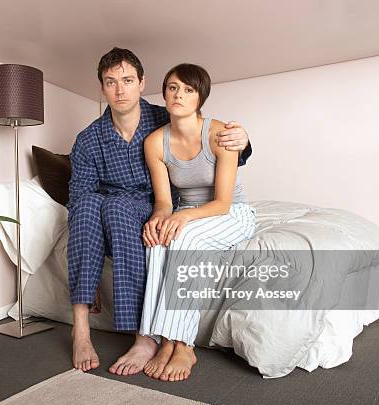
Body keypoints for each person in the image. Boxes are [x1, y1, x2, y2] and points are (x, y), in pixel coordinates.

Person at [67, 48, 251, 375]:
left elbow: (205, 138)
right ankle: (80, 328)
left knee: (119, 208)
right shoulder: (89, 139)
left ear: (142, 83)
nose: (120, 89)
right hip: (126, 209)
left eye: (127, 80)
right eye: (111, 82)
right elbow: (80, 194)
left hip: (150, 205)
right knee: (85, 207)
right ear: (102, 88)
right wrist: (91, 271)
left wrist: (244, 139)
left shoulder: (163, 117)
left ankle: (158, 339)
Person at [139, 63, 257, 382]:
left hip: (230, 213)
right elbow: (164, 201)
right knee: (157, 240)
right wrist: (157, 220)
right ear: (164, 93)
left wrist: (183, 216)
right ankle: (161, 339)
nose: (179, 95)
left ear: (200, 97)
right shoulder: (154, 143)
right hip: (187, 212)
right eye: (173, 87)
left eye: (188, 90)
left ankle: (183, 345)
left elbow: (222, 202)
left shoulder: (219, 133)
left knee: (185, 239)